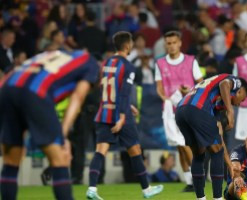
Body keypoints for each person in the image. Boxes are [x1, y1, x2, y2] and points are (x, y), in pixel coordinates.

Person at [0, 49, 100, 200]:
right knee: (60, 158)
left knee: (11, 161)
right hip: (35, 91)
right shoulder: (91, 65)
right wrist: (63, 136)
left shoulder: (55, 54)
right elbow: (78, 97)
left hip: (6, 88)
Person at [86, 31, 163, 200]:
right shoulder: (128, 66)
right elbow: (123, 92)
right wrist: (122, 116)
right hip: (121, 114)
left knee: (100, 152)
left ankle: (92, 188)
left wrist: (128, 106)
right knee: (135, 150)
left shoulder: (105, 63)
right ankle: (146, 189)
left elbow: (106, 88)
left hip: (103, 111)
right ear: (127, 45)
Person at [175, 73, 247, 200]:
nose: (239, 104)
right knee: (216, 152)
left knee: (199, 153)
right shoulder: (235, 81)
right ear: (240, 91)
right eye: (242, 99)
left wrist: (229, 165)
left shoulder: (215, 103)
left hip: (181, 111)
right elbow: (224, 84)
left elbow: (219, 140)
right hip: (197, 109)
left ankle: (201, 198)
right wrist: (230, 111)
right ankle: (218, 198)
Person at [155, 30, 203, 192]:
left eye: (174, 42)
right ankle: (190, 182)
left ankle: (197, 180)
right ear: (165, 45)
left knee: (186, 144)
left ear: (180, 43)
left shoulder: (190, 61)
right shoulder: (160, 63)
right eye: (168, 43)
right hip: (170, 110)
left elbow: (200, 84)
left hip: (187, 108)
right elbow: (159, 88)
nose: (172, 46)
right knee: (179, 146)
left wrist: (188, 90)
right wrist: (165, 99)